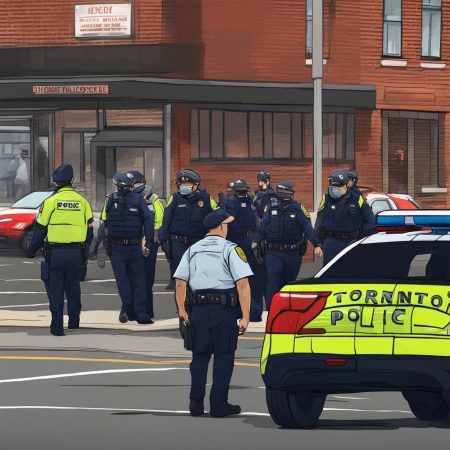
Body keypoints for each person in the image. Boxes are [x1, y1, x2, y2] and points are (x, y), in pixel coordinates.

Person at [174, 209, 252, 417]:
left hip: (198, 310)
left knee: (199, 357)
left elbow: (181, 283)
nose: (228, 228)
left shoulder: (192, 250)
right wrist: (245, 317)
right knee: (224, 357)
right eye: (227, 225)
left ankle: (196, 402)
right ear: (220, 226)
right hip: (224, 311)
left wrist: (182, 311)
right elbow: (243, 284)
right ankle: (219, 404)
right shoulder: (230, 249)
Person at [26, 164, 94, 336]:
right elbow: (90, 230)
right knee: (73, 288)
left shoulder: (49, 202)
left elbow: (40, 229)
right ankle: (74, 322)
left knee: (56, 291)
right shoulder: (82, 201)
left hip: (55, 254)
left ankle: (57, 327)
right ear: (71, 180)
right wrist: (85, 251)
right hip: (76, 253)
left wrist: (32, 250)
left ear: (55, 182)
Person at [255, 181, 323, 310]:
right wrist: (255, 242)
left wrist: (316, 244)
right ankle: (272, 312)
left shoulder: (298, 208)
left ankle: (286, 312)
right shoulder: (270, 207)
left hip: (292, 254)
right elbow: (263, 229)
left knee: (289, 284)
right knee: (272, 283)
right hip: (273, 254)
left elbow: (307, 228)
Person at [101, 172, 154, 324]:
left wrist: (102, 246)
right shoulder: (139, 200)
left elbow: (104, 222)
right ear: (132, 185)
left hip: (116, 248)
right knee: (139, 280)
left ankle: (128, 309)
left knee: (122, 281)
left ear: (116, 184)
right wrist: (148, 242)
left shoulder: (110, 199)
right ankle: (141, 313)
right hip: (134, 246)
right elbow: (149, 220)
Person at [159, 169, 217, 279]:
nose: (184, 186)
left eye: (187, 184)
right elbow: (166, 220)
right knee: (180, 276)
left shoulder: (206, 198)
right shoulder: (175, 198)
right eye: (182, 184)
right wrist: (163, 241)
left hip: (199, 243)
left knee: (199, 275)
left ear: (196, 185)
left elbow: (217, 216)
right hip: (178, 244)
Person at [222, 179, 265, 322]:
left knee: (244, 277)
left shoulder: (252, 201)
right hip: (241, 242)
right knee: (246, 277)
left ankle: (249, 312)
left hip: (245, 242)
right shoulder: (242, 201)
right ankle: (244, 312)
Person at [315, 170, 375, 266]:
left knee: (350, 272)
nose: (334, 189)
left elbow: (370, 220)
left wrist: (360, 237)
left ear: (345, 186)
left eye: (337, 187)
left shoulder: (357, 199)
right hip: (331, 242)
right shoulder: (325, 199)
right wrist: (317, 243)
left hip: (351, 242)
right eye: (332, 187)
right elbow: (319, 222)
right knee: (329, 274)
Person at [128, 170, 165, 319]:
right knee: (142, 278)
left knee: (142, 278)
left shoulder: (153, 199)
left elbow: (160, 221)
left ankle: (141, 311)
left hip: (141, 243)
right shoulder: (154, 199)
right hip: (146, 242)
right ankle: (140, 311)